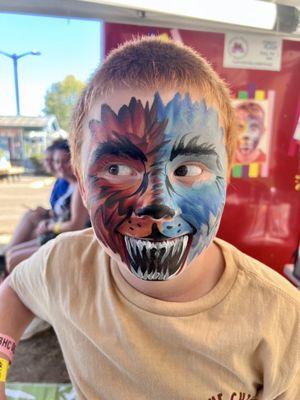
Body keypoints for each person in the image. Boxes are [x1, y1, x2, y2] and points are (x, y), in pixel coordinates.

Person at [0, 37, 299, 400]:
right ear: (80, 181)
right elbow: (15, 291)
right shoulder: (65, 266)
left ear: (227, 177)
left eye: (188, 168)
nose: (156, 204)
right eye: (117, 168)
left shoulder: (282, 318)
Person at [4, 140, 89, 273]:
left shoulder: (79, 186)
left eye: (66, 161)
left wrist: (50, 225)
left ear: (75, 160)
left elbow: (76, 225)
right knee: (12, 254)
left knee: (13, 259)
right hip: (58, 234)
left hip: (71, 239)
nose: (60, 166)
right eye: (57, 161)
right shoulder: (69, 183)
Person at [0, 140, 69, 255]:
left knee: (31, 227)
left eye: (51, 160)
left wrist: (48, 219)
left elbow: (72, 219)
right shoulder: (61, 181)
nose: (49, 164)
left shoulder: (68, 183)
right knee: (30, 220)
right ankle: (6, 255)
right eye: (50, 160)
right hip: (55, 223)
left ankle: (6, 255)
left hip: (58, 227)